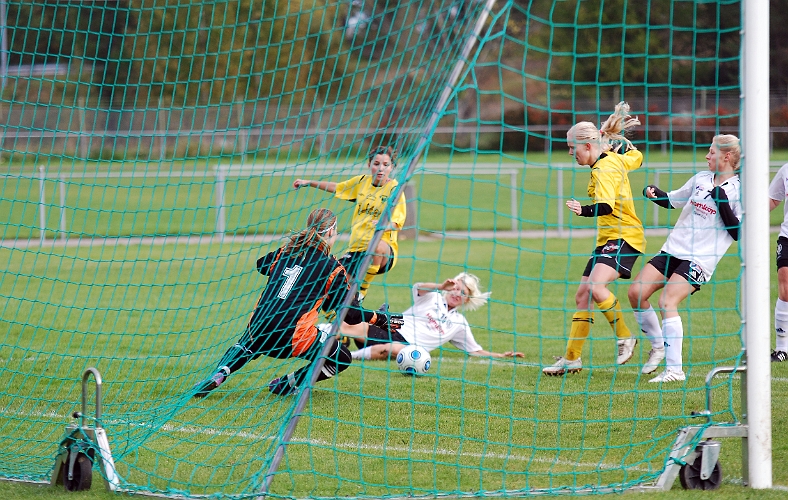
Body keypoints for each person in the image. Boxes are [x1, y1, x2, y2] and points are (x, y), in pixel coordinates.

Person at [192, 208, 402, 398]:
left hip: (259, 328)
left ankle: (220, 373)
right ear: (331, 233)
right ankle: (288, 383)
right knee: (341, 357)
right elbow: (352, 315)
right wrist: (380, 319)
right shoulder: (332, 268)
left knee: (246, 344)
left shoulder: (286, 251)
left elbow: (262, 265)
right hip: (292, 338)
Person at [628, 134, 742, 382]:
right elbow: (672, 201)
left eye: (711, 152)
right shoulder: (700, 178)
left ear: (726, 157)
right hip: (673, 250)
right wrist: (653, 192)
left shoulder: (739, 190)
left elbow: (737, 232)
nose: (706, 156)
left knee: (667, 301)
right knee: (636, 293)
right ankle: (658, 347)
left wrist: (721, 201)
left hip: (700, 260)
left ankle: (674, 371)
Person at [542, 101, 645, 376]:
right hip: (609, 238)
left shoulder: (603, 170)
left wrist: (582, 209)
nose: (570, 153)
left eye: (571, 148)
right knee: (582, 295)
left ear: (587, 147)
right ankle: (572, 358)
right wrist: (617, 145)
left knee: (597, 288)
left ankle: (626, 337)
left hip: (625, 237)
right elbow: (637, 158)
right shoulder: (612, 159)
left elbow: (606, 206)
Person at [293, 145, 406, 300]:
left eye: (386, 165)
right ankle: (336, 319)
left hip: (384, 253)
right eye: (376, 164)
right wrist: (309, 182)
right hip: (356, 250)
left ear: (392, 167)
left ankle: (362, 291)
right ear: (369, 165)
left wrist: (383, 226)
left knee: (377, 245)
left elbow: (398, 223)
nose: (381, 169)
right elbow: (337, 187)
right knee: (330, 283)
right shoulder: (361, 182)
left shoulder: (395, 189)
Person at [344, 273, 524, 361]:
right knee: (347, 327)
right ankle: (321, 337)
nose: (456, 293)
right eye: (455, 288)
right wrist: (440, 285)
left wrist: (501, 355)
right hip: (390, 326)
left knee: (392, 348)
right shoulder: (433, 296)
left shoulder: (459, 323)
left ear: (468, 299)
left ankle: (348, 356)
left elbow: (474, 350)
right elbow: (419, 287)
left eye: (463, 293)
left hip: (407, 345)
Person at [768, 162, 788, 362]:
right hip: (787, 237)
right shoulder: (786, 169)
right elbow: (772, 199)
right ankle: (782, 348)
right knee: (785, 288)